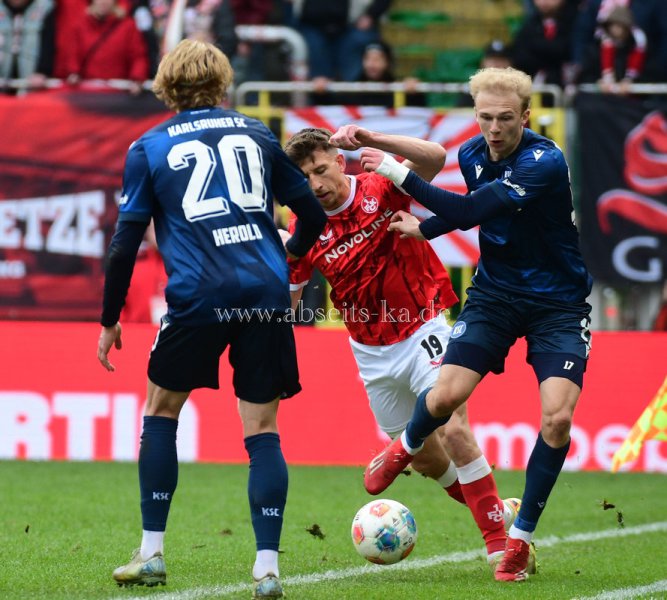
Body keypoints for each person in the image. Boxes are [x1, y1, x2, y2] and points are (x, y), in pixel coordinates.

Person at [96, 39, 326, 598]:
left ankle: (152, 553)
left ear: (166, 87)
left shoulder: (148, 147)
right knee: (263, 429)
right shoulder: (257, 133)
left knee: (161, 411)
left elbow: (125, 243)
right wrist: (290, 260)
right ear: (222, 83)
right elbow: (312, 212)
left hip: (199, 294)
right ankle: (267, 569)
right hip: (265, 293)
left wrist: (109, 318)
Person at [362, 67, 593, 582]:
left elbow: (473, 210)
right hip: (495, 296)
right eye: (485, 117)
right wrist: (425, 228)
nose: (494, 128)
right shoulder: (470, 153)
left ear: (526, 116)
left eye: (505, 118)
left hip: (558, 305)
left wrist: (397, 173)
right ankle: (403, 448)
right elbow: (474, 212)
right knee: (444, 398)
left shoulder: (544, 161)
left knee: (557, 420)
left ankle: (519, 538)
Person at [282, 126, 536, 573]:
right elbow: (290, 302)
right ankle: (500, 511)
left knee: (453, 427)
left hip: (424, 324)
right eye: (304, 178)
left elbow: (435, 156)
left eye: (320, 170)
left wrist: (373, 140)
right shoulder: (303, 228)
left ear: (339, 162)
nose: (315, 184)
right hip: (370, 351)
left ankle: (502, 549)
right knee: (427, 459)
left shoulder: (379, 186)